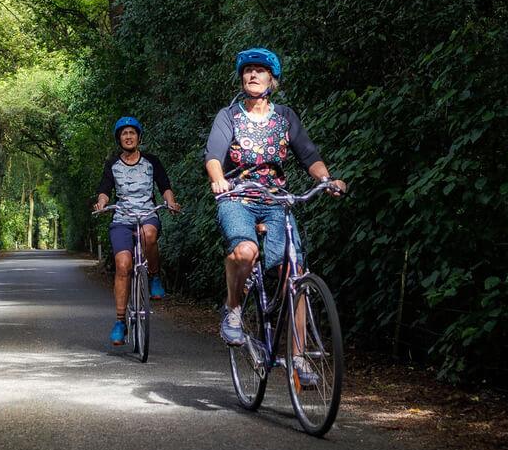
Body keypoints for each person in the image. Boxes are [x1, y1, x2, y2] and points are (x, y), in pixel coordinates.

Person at [203, 47, 346, 379]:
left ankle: (298, 359)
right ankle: (234, 309)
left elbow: (308, 154)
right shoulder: (229, 116)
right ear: (242, 78)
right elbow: (213, 154)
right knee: (245, 251)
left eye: (260, 70)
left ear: (272, 79)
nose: (253, 75)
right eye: (248, 70)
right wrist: (219, 178)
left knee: (294, 271)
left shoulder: (285, 117)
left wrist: (327, 180)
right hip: (237, 196)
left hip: (277, 200)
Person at [92, 116, 180, 344]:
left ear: (139, 137)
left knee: (148, 234)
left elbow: (165, 186)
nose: (128, 137)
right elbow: (104, 189)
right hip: (122, 218)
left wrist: (170, 202)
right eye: (124, 134)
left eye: (132, 133)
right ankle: (120, 321)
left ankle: (154, 277)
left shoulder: (152, 161)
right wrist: (102, 203)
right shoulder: (113, 164)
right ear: (119, 139)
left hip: (147, 214)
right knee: (123, 265)